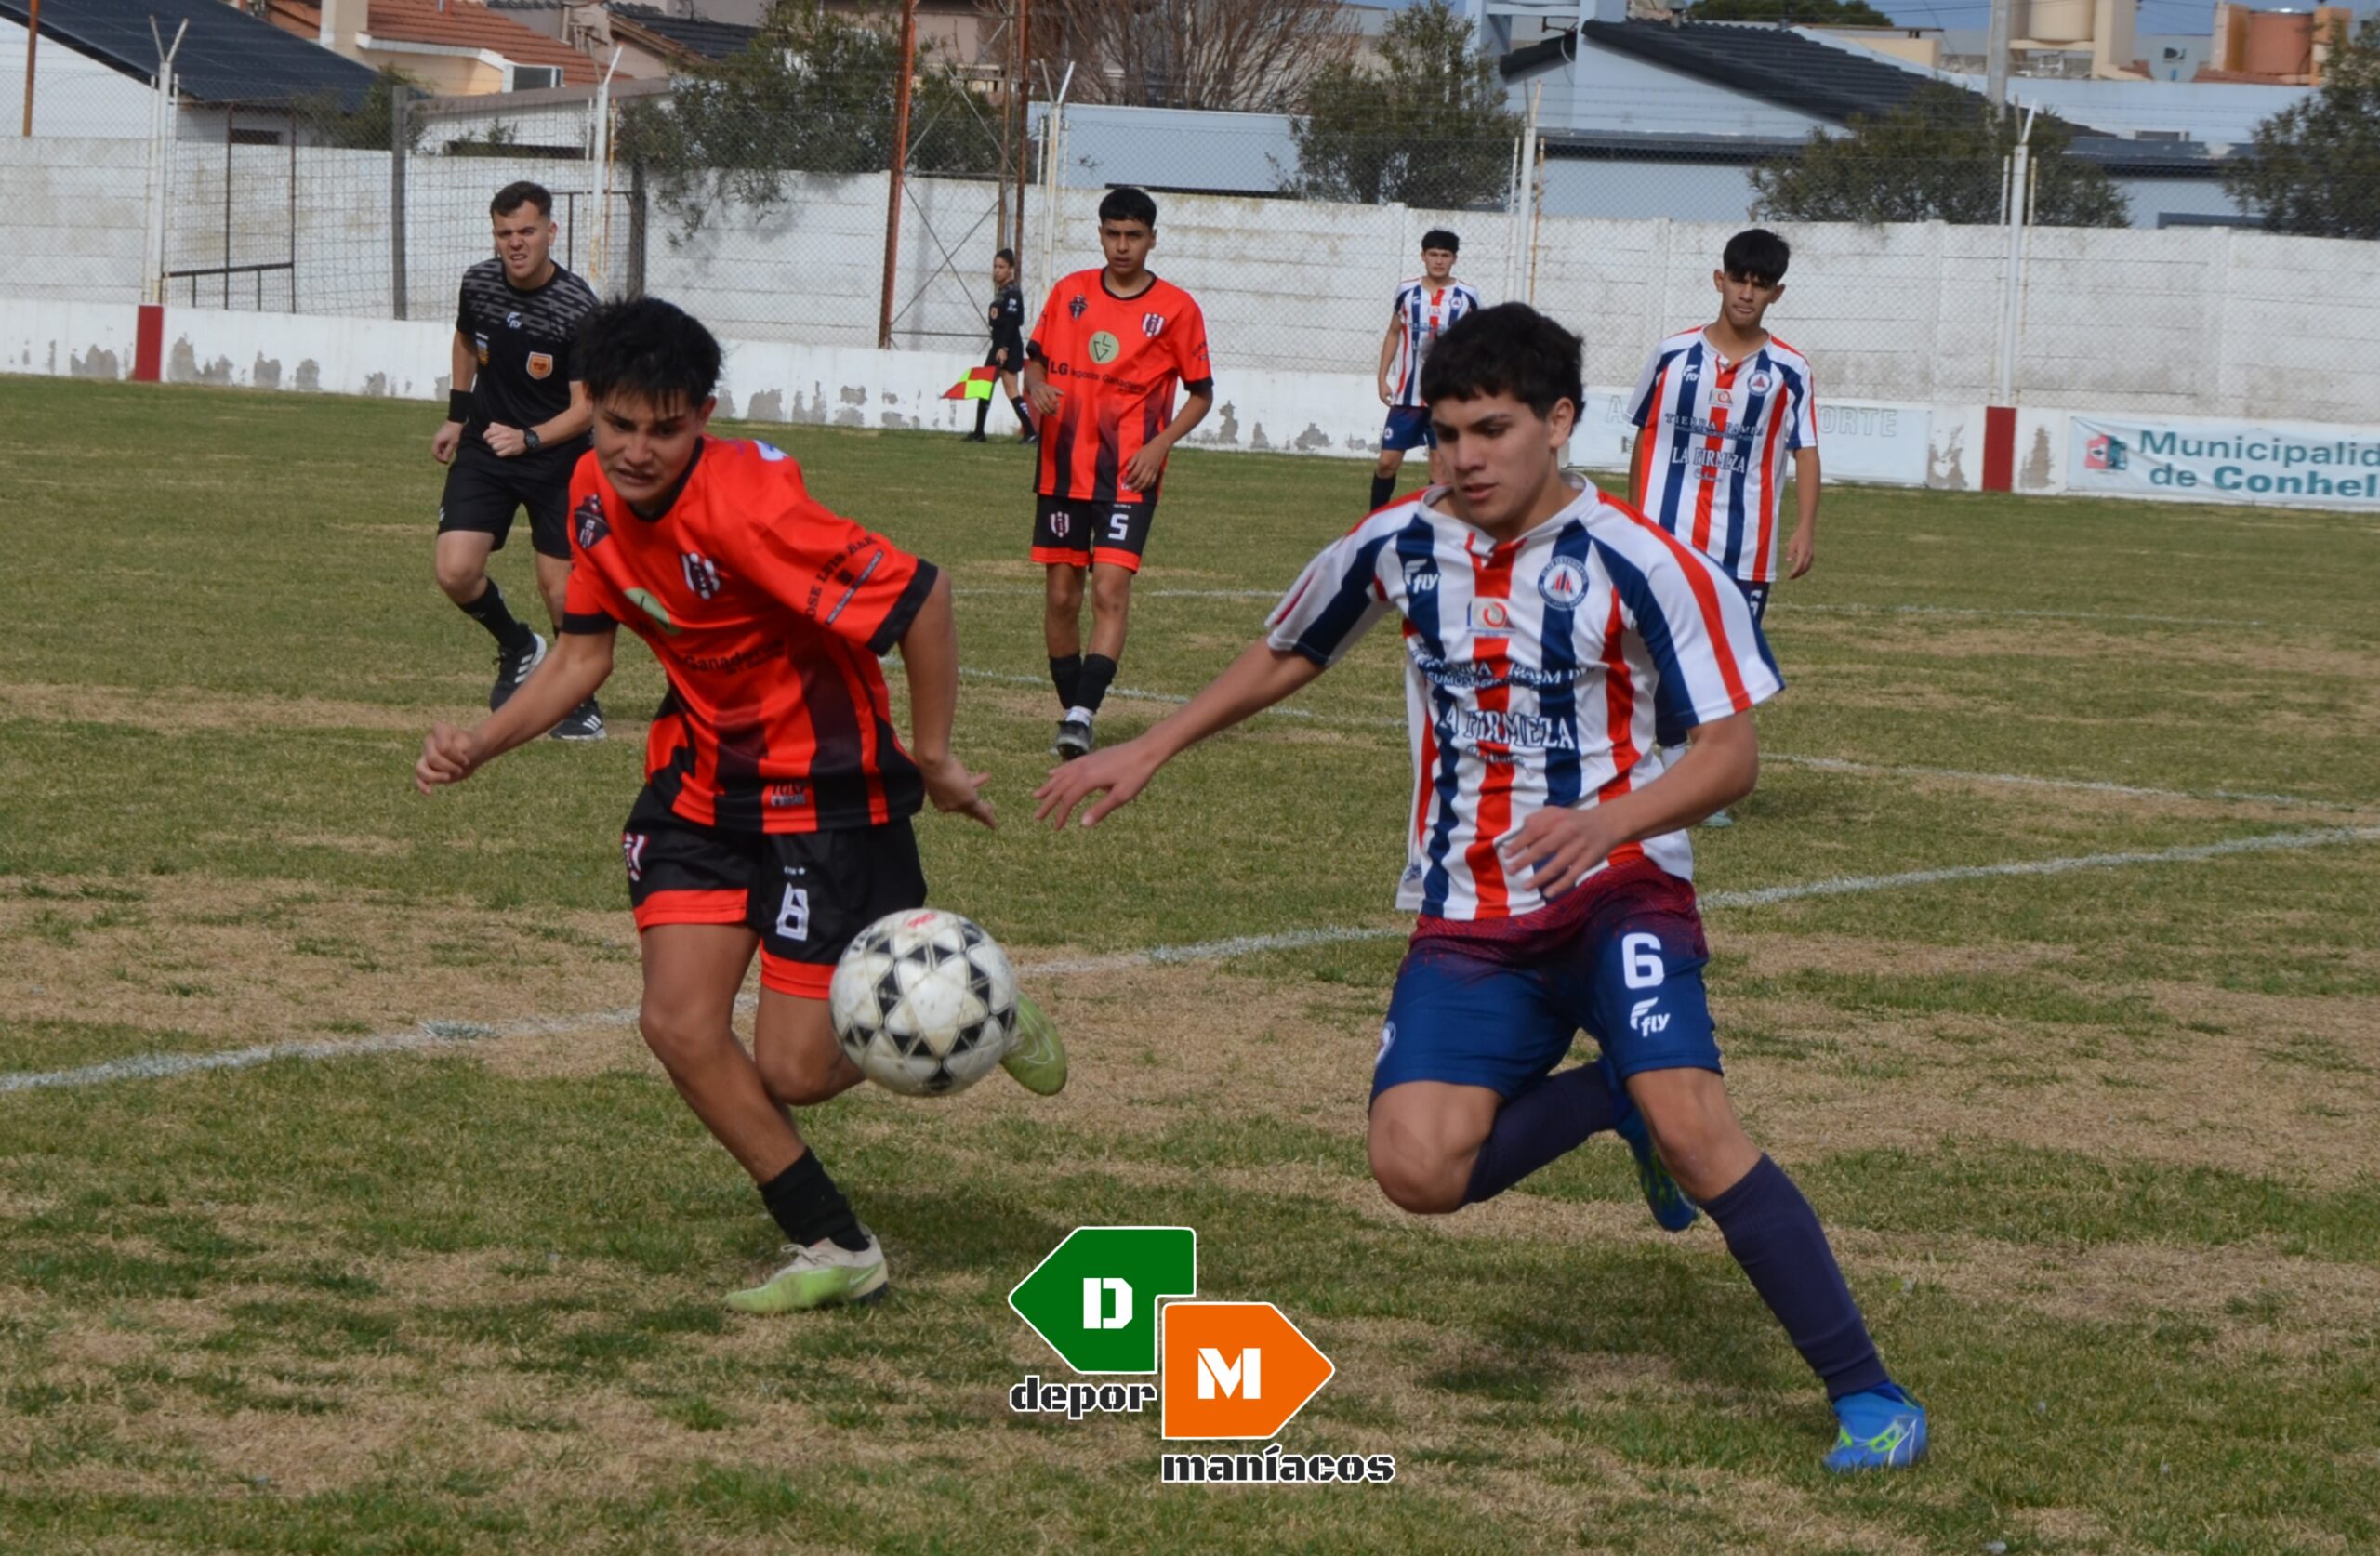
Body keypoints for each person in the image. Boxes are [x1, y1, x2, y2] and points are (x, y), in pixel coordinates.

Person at [1036, 303, 1925, 1472]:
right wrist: (1151, 744)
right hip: (1469, 906)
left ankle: (1868, 1395)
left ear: (1558, 423)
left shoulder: (1642, 562)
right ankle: (1613, 1100)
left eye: (1492, 430)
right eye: (1446, 431)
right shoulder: (1402, 542)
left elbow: (1729, 757)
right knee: (1415, 1168)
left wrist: (1610, 820)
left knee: (1701, 1132)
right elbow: (1292, 648)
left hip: (1622, 888)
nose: (1463, 456)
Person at [416, 297, 1069, 1314]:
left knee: (799, 1068)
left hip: (828, 795)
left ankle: (977, 1002)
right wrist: (483, 743)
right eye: (619, 423)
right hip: (700, 786)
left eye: (664, 429)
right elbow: (588, 653)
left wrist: (933, 757)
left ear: (703, 417)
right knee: (676, 1023)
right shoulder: (587, 492)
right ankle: (834, 1244)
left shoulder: (750, 507)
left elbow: (924, 599)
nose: (636, 450)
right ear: (591, 409)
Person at [1625, 228, 1817, 826]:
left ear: (1776, 294)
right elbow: (1645, 435)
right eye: (1739, 280)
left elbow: (1805, 449)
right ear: (1719, 279)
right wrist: (1633, 521)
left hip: (1745, 546)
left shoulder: (1790, 370)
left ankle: (1699, 776)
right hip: (1667, 536)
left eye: (1760, 285)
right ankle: (1681, 771)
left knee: (1725, 670)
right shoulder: (1671, 355)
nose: (1746, 293)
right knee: (1655, 659)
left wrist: (1806, 526)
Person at [1021, 187, 1214, 760]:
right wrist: (1033, 383)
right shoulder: (1069, 292)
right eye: (1113, 234)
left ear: (1152, 238)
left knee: (1109, 589)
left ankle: (1081, 714)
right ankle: (1073, 712)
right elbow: (1033, 355)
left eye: (1133, 235)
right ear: (1100, 234)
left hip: (1131, 472)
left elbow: (1202, 395)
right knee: (1061, 597)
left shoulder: (1178, 309)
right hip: (1062, 469)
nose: (1122, 246)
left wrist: (1160, 444)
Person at [430, 180, 605, 741]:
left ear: (551, 232)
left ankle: (579, 698)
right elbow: (464, 342)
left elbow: (587, 408)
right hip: (487, 447)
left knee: (559, 588)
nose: (516, 243)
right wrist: (459, 417)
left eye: (527, 231)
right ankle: (517, 645)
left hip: (558, 458)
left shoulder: (577, 306)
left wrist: (529, 439)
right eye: (505, 233)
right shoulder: (478, 282)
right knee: (455, 570)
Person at [1372, 229, 1481, 513]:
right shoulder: (1406, 291)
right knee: (1386, 463)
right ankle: (1373, 521)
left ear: (1454, 259)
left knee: (1439, 468)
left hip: (1445, 398)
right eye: (1433, 254)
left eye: (1445, 255)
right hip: (1407, 396)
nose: (1438, 261)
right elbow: (1394, 333)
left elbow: (1477, 342)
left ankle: (1433, 527)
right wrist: (1382, 377)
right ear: (1423, 256)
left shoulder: (1468, 295)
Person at [966, 248, 1035, 443]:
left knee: (1010, 389)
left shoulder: (1012, 293)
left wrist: (1004, 348)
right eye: (995, 266)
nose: (997, 270)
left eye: (1002, 267)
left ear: (1011, 270)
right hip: (998, 346)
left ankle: (1030, 432)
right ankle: (979, 432)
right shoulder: (1001, 292)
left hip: (1007, 347)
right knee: (984, 385)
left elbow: (1012, 323)